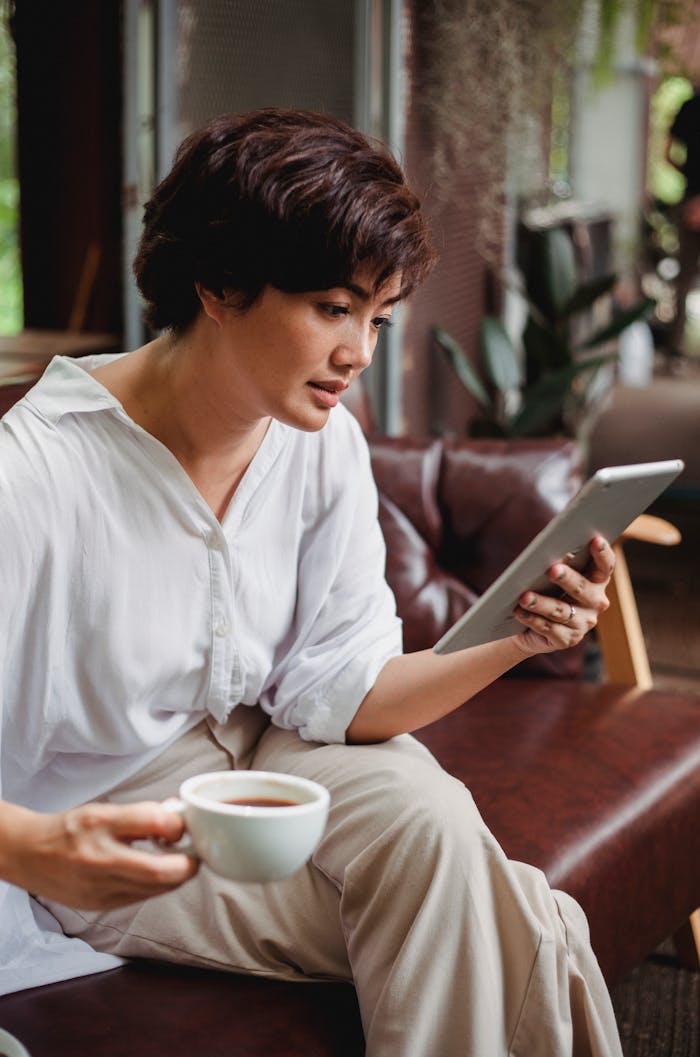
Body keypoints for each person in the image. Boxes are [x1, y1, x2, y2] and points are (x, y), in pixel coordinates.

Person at [0, 108, 622, 1055]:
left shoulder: (324, 442)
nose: (360, 353)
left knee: (432, 820)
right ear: (219, 281)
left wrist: (519, 636)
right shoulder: (33, 479)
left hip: (275, 750)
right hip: (125, 820)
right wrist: (34, 851)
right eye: (334, 308)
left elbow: (347, 690)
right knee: (519, 917)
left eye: (377, 317)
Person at [664, 86, 700, 366]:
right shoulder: (688, 107)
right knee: (684, 278)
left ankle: (674, 349)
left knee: (684, 278)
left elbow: (667, 153)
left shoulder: (688, 106)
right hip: (690, 205)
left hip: (689, 202)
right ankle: (674, 348)